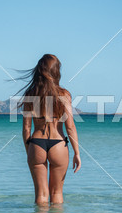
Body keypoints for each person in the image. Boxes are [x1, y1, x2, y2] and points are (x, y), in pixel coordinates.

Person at [19, 54, 81, 205]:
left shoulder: (30, 94)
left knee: (41, 196)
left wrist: (30, 150)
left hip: (36, 143)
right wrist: (77, 153)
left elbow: (26, 128)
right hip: (58, 144)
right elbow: (70, 127)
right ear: (56, 72)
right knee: (57, 193)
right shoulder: (64, 94)